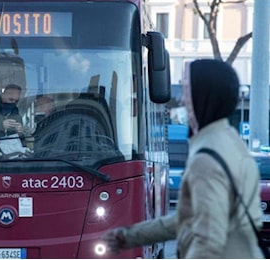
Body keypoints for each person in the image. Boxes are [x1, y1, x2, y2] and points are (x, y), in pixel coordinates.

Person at [102, 59, 263, 258]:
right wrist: (130, 236)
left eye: (187, 90)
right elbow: (190, 218)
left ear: (203, 96)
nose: (182, 101)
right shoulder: (234, 145)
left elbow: (207, 242)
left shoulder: (206, 160)